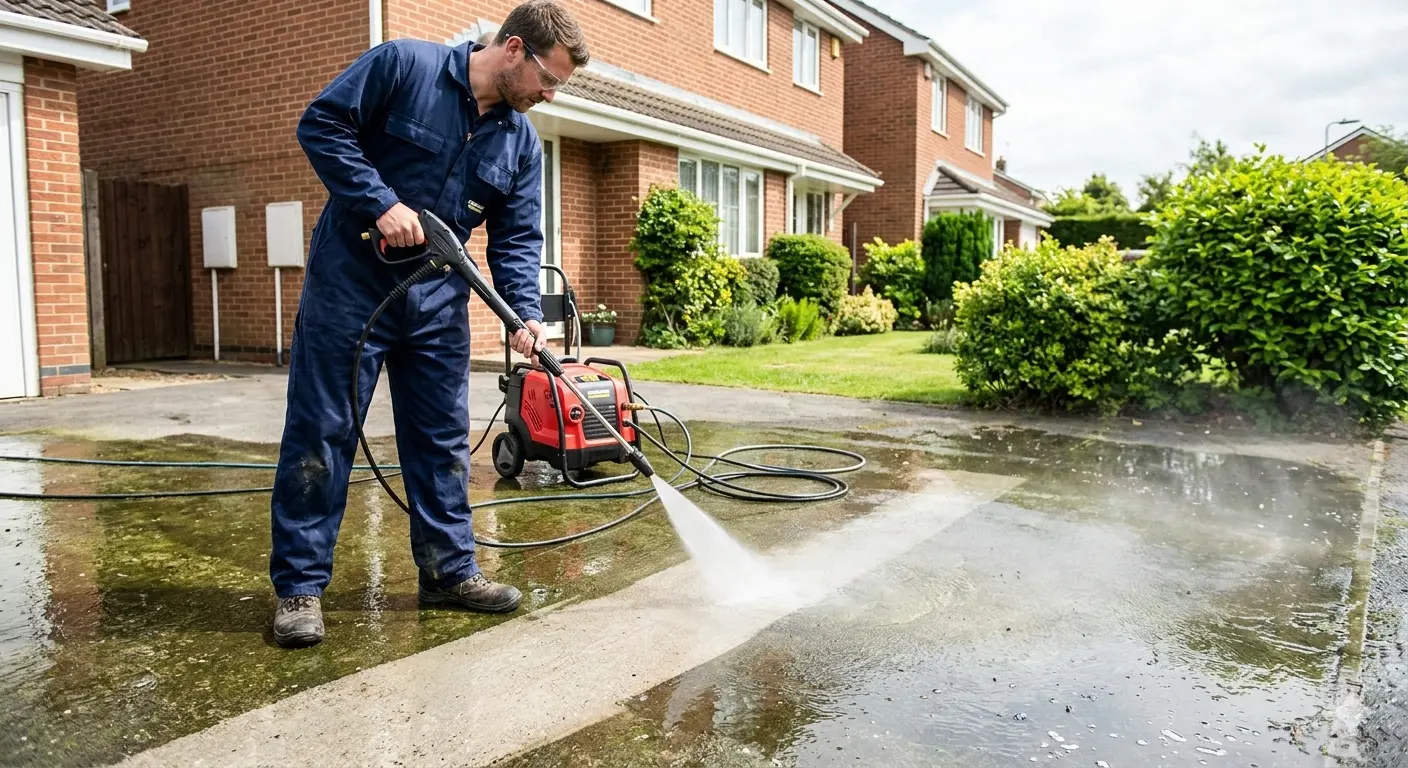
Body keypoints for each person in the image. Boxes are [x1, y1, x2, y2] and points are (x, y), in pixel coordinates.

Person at [268, 0, 589, 648]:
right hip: (351, 288)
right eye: (548, 80)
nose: (550, 96)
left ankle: (449, 572)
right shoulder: (404, 66)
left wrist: (526, 313)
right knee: (322, 432)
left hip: (439, 303)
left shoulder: (519, 142)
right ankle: (299, 588)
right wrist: (381, 202)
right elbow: (322, 124)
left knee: (442, 439)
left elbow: (517, 237)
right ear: (515, 49)